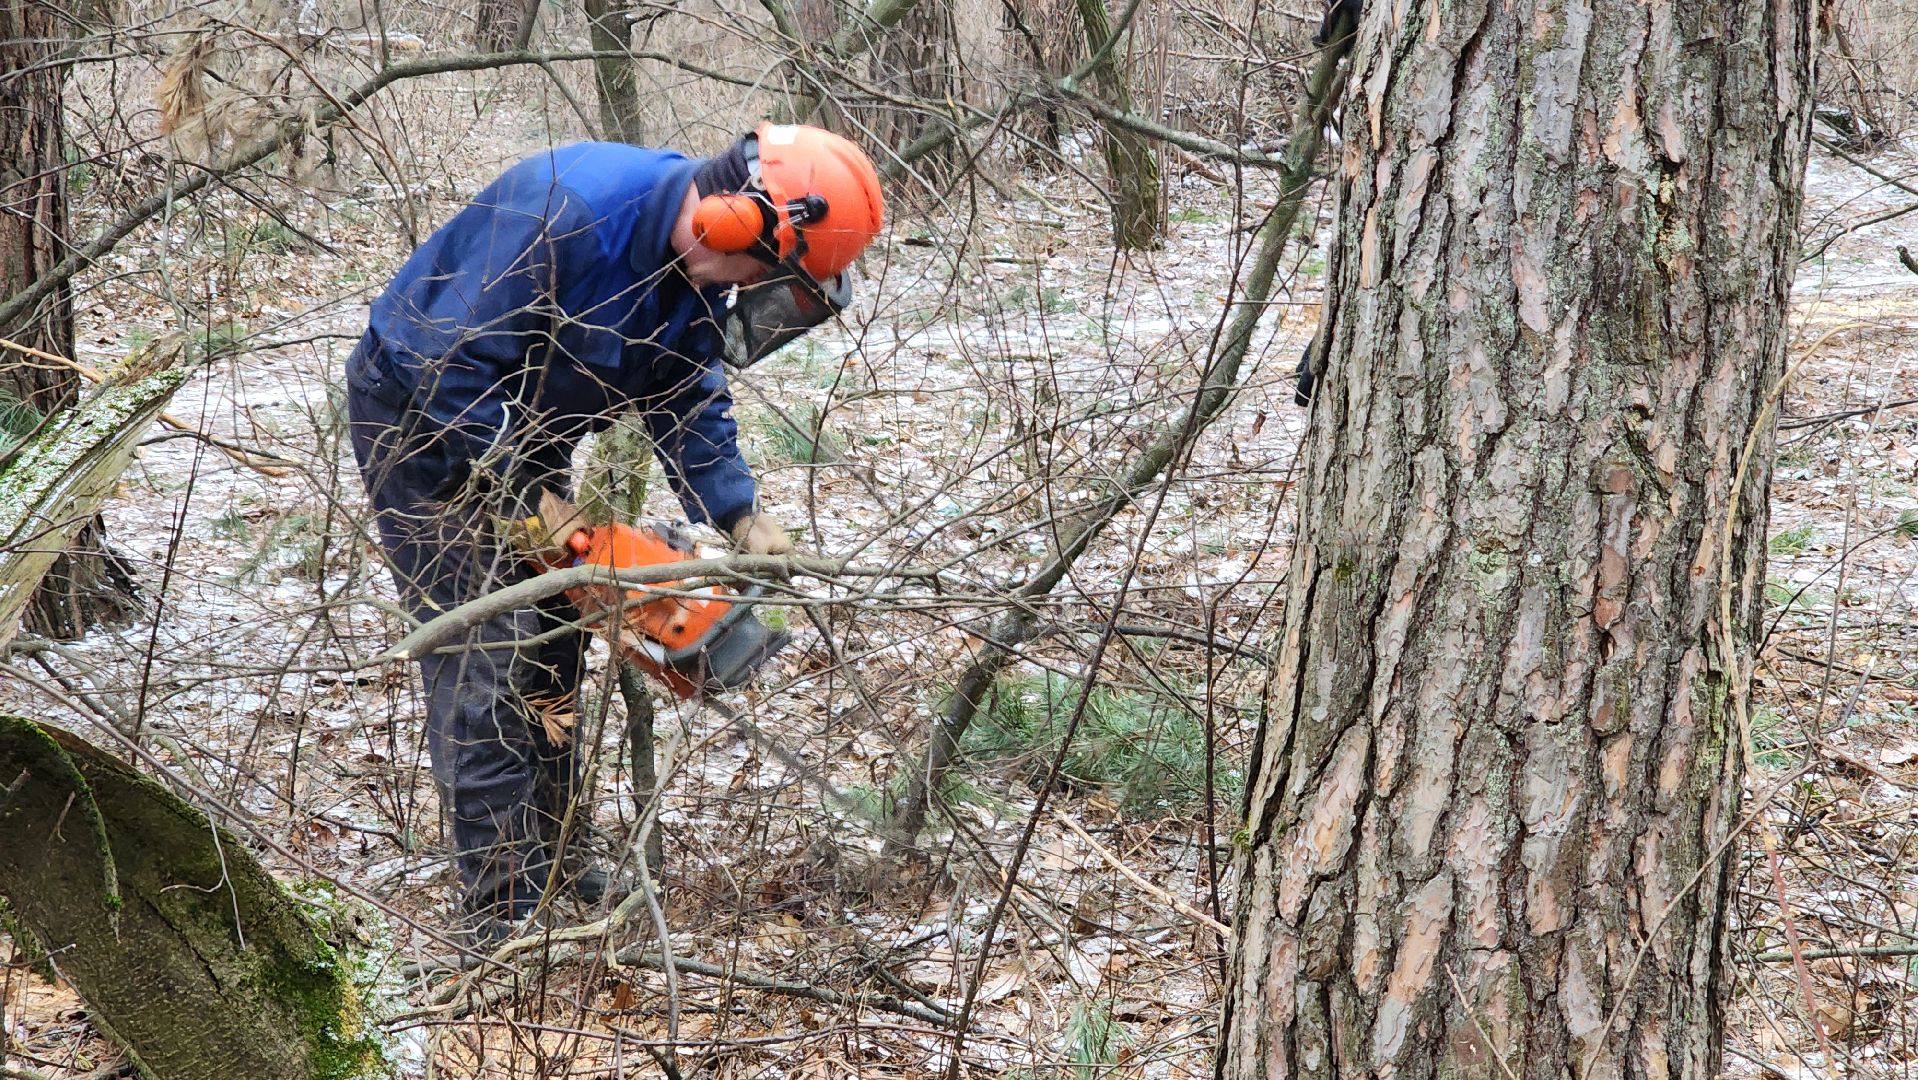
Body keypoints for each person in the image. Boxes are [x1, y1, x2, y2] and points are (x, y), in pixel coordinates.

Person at [344, 124, 884, 944]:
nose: (749, 294)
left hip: (525, 431)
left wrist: (738, 510)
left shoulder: (697, 276)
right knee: (486, 650)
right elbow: (441, 362)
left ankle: (556, 851)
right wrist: (528, 494)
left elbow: (685, 393)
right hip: (416, 419)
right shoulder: (575, 214)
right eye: (763, 275)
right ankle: (500, 912)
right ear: (736, 225)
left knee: (558, 633)